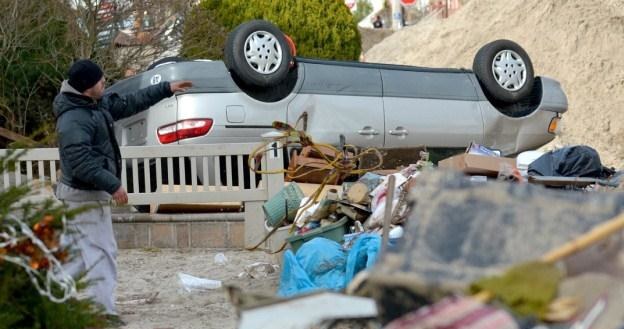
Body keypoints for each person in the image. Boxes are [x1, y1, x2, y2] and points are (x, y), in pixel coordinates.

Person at [53, 59, 192, 326]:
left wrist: (167, 88)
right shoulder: (73, 119)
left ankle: (48, 296)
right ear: (85, 87)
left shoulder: (93, 103)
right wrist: (113, 184)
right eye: (99, 79)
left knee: (78, 253)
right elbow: (80, 161)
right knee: (102, 251)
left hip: (84, 193)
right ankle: (102, 312)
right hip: (84, 195)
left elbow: (130, 102)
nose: (104, 81)